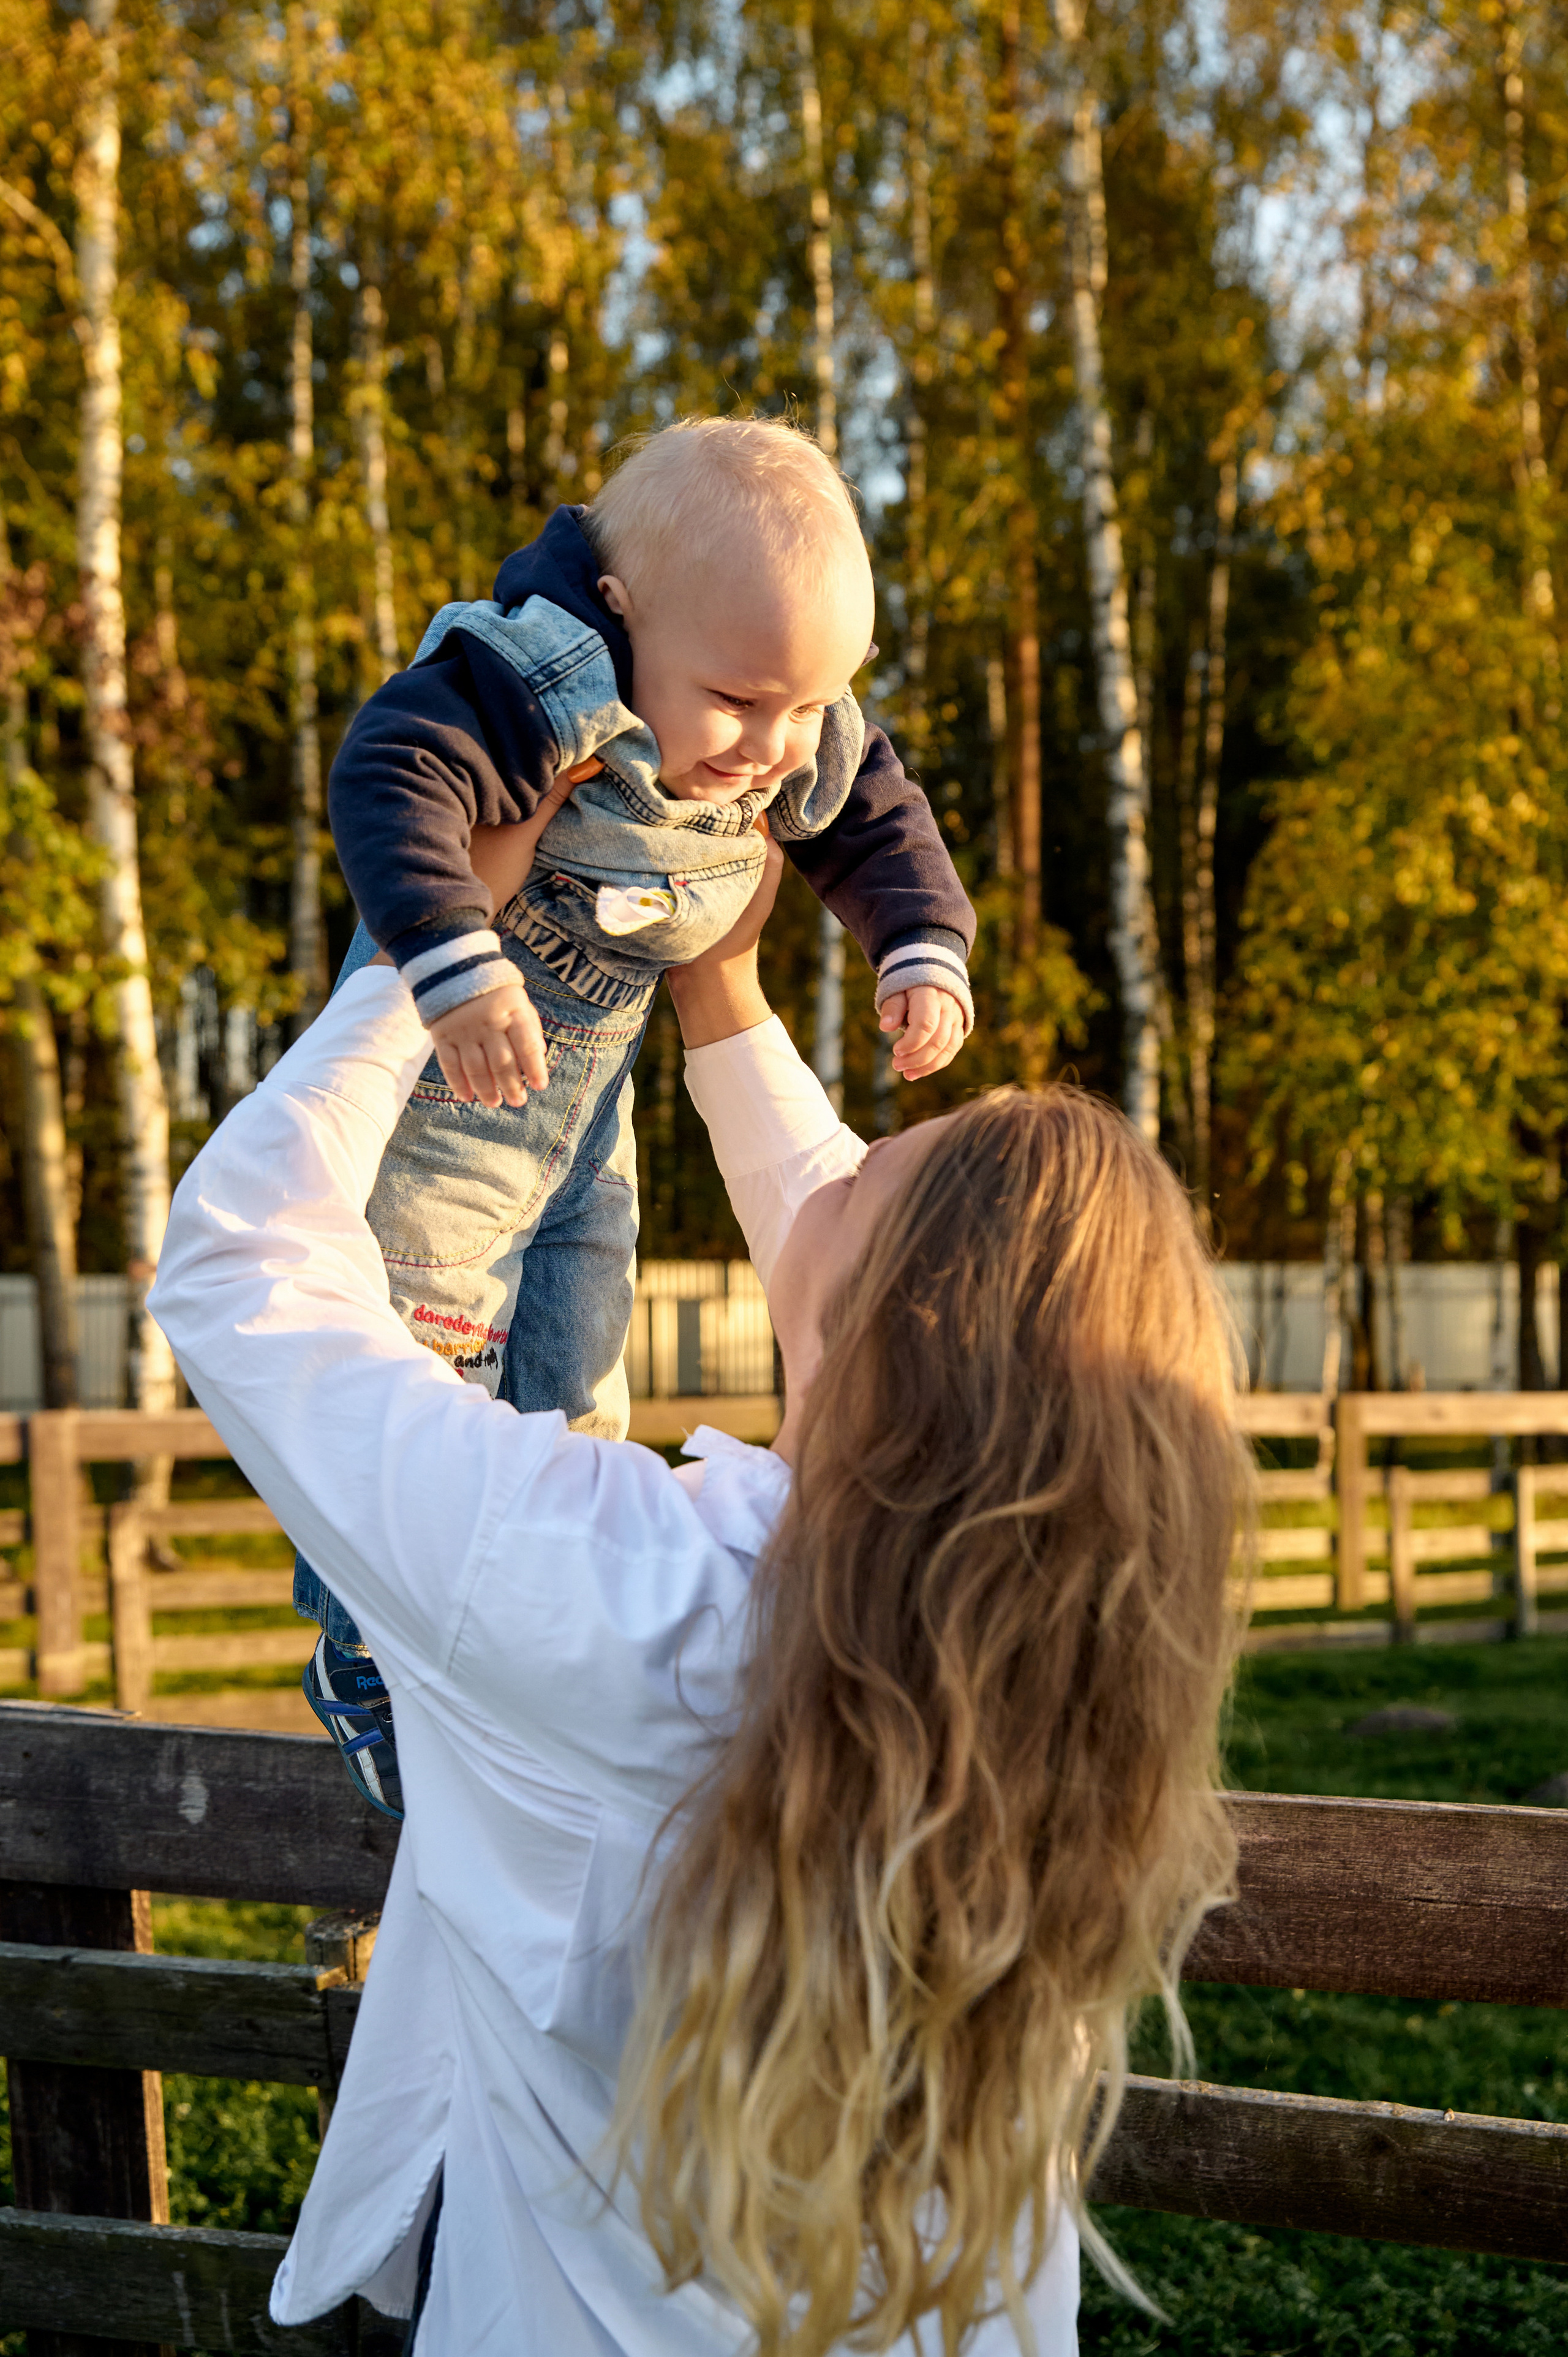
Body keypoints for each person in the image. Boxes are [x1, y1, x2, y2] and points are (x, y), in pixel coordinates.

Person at [149, 831, 1243, 2357]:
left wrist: (425, 941)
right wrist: (721, 991)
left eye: (867, 1177)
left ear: (886, 1339)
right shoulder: (1067, 1702)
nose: (830, 1169)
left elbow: (236, 1269)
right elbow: (848, 1238)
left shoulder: (608, 1586)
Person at [295, 416, 978, 1810]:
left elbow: (873, 806)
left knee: (576, 1364)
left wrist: (920, 943)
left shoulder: (780, 713)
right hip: (439, 1112)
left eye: (805, 706)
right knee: (420, 1377)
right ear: (619, 614)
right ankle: (366, 1654)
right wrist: (450, 953)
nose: (772, 749)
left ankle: (528, 1645)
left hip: (574, 1123)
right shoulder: (520, 674)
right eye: (736, 701)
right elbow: (386, 773)